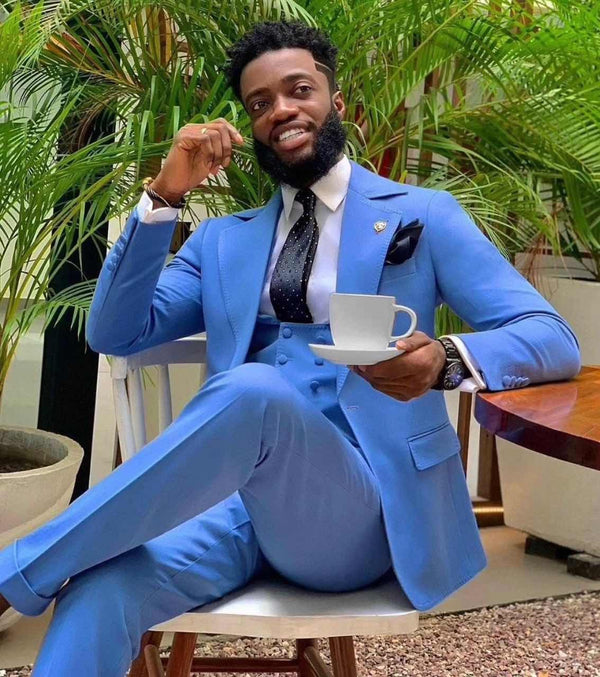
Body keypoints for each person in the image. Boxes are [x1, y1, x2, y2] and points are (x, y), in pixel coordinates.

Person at [0, 20, 580, 676]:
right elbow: (114, 332)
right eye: (260, 102)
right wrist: (165, 195)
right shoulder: (224, 240)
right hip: (234, 512)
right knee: (100, 588)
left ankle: (13, 574)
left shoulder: (424, 214)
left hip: (362, 509)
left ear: (337, 101)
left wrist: (443, 358)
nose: (280, 109)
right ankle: (33, 574)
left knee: (253, 390)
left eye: (299, 89)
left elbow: (551, 336)